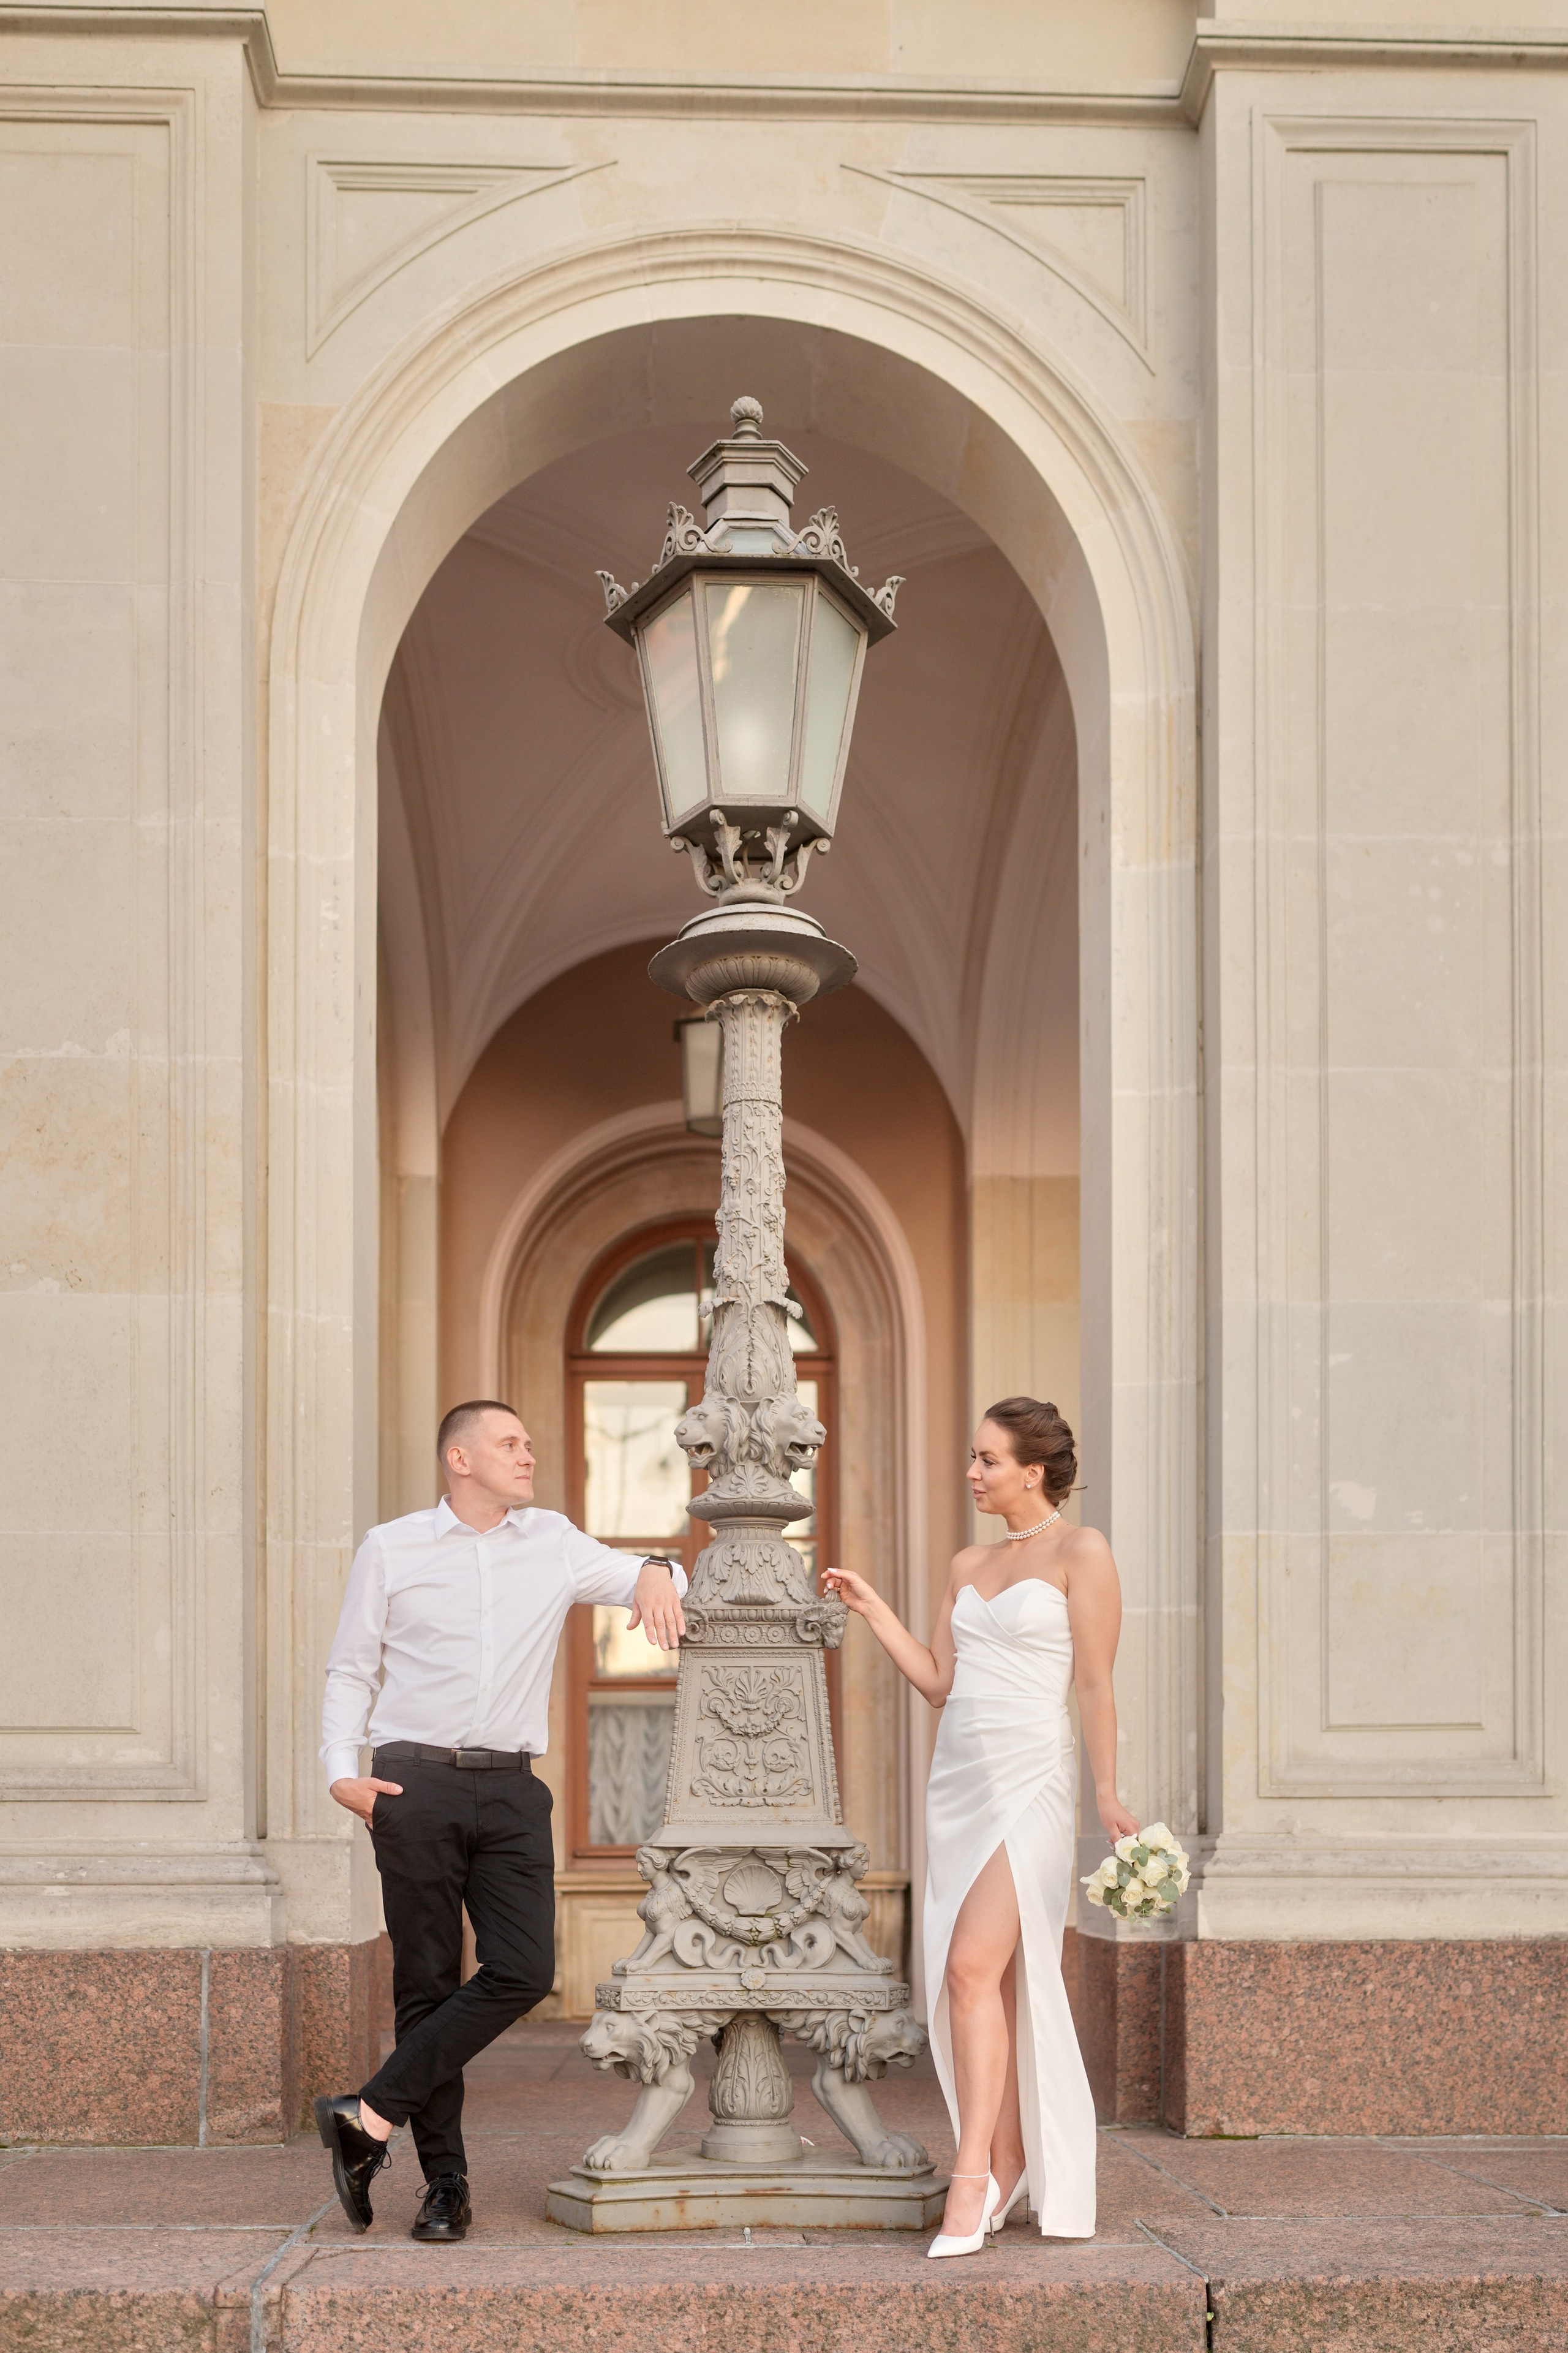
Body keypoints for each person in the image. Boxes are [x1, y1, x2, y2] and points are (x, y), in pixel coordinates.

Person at [314, 1399, 687, 2242]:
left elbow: (651, 1583)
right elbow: (350, 1665)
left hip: (514, 1788)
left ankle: (367, 2116)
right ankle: (445, 2182)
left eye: (528, 1441)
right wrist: (344, 1773)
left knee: (522, 1968)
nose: (528, 1454)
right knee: (428, 1984)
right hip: (412, 1783)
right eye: (510, 1443)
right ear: (460, 1458)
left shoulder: (552, 1540)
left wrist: (660, 1563)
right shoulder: (393, 1546)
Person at [823, 1397, 1133, 2255]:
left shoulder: (1084, 1550)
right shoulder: (967, 1560)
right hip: (957, 1781)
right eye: (973, 1456)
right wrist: (873, 1607)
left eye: (988, 1459)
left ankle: (973, 2176)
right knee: (983, 1981)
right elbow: (936, 1682)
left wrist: (1107, 1791)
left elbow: (1097, 1684)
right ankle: (1006, 2152)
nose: (974, 1471)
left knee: (968, 1968)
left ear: (1033, 1470)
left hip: (1032, 1780)